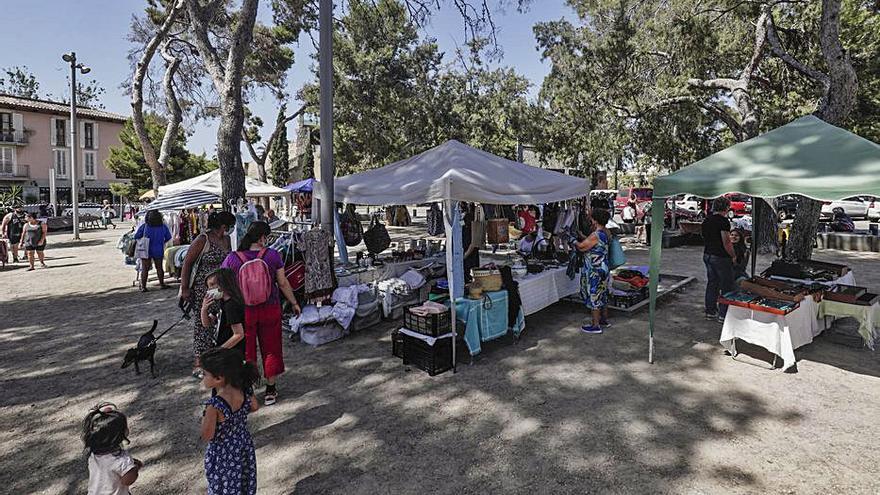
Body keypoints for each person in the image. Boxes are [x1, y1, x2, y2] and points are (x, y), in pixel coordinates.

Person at [222, 221, 301, 405]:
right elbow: (282, 283)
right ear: (262, 237)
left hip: (245, 311)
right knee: (271, 348)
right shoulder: (272, 256)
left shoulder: (233, 258)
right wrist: (294, 303)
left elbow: (224, 284)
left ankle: (248, 391)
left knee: (247, 351)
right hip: (270, 307)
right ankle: (271, 389)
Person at [180, 211, 236, 378]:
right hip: (203, 288)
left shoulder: (226, 240)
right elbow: (187, 264)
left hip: (223, 287)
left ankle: (215, 356)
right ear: (224, 226)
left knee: (219, 322)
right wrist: (185, 288)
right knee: (202, 323)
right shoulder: (202, 240)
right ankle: (199, 361)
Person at [200, 348, 259, 495]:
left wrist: (205, 416)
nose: (202, 377)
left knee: (223, 487)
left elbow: (208, 435)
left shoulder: (214, 405)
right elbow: (254, 406)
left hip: (223, 454)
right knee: (243, 482)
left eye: (205, 374)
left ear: (219, 378)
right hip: (243, 445)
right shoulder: (243, 390)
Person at [82, 402, 143, 495]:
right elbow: (127, 480)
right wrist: (134, 468)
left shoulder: (94, 455)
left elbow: (109, 466)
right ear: (117, 435)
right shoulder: (121, 459)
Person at [575, 208, 612, 334]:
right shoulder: (606, 232)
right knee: (603, 293)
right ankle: (603, 320)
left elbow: (582, 247)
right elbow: (593, 243)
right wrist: (582, 236)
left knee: (594, 295)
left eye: (591, 218)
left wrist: (573, 240)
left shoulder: (595, 235)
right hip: (603, 267)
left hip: (594, 270)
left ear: (595, 220)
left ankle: (595, 325)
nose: (590, 220)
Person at [702, 197, 736, 322]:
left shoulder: (707, 220)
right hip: (720, 256)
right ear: (726, 208)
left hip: (708, 254)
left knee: (712, 283)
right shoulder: (723, 221)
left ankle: (710, 311)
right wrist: (733, 255)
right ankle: (723, 314)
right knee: (727, 285)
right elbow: (726, 242)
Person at [201, 268, 246, 357]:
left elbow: (239, 334)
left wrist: (219, 351)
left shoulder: (231, 306)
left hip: (232, 352)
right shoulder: (221, 302)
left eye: (212, 285)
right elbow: (207, 323)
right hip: (224, 349)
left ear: (224, 284)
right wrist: (204, 309)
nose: (210, 289)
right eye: (208, 286)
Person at [134, 210, 172, 292]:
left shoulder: (144, 227)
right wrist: (161, 242)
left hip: (146, 250)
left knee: (145, 269)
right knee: (159, 267)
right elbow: (168, 237)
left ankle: (143, 287)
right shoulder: (163, 227)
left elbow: (136, 236)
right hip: (158, 249)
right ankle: (162, 284)